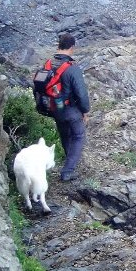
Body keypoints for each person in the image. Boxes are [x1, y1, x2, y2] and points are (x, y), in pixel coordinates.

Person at [46, 32, 90, 181]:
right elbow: (81, 94)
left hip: (54, 109)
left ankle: (70, 164)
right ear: (72, 47)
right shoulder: (72, 68)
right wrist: (85, 111)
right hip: (70, 110)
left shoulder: (48, 64)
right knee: (78, 136)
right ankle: (68, 171)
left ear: (58, 46)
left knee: (66, 136)